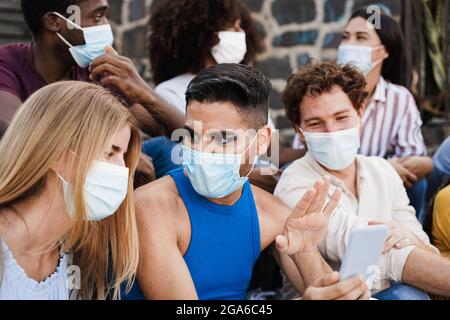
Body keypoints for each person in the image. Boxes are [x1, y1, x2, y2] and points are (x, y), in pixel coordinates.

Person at [126, 64, 369, 300]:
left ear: (262, 141)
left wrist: (306, 253)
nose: (202, 151)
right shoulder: (150, 207)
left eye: (222, 139)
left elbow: (334, 294)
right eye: (191, 136)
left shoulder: (272, 213)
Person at [276, 61, 450, 300]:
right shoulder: (294, 183)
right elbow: (357, 245)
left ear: (360, 113)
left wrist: (409, 242)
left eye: (341, 117)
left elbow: (421, 243)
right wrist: (405, 251)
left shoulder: (381, 169)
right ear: (299, 130)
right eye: (316, 123)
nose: (331, 131)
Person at [0, 81, 140, 299]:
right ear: (55, 152)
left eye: (123, 156)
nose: (123, 170)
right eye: (110, 153)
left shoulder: (82, 258)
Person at [292, 6, 433, 220]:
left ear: (385, 50)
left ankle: (408, 230)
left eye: (361, 37)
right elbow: (302, 151)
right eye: (345, 37)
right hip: (327, 181)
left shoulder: (400, 99)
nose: (349, 45)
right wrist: (384, 166)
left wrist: (385, 172)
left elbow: (414, 159)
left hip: (380, 189)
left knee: (417, 184)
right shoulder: (322, 94)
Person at [146, 0, 304, 185]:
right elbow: (193, 158)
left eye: (241, 27)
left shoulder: (246, 89)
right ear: (206, 35)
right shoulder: (170, 92)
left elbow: (275, 153)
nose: (241, 33)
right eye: (233, 27)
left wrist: (314, 150)